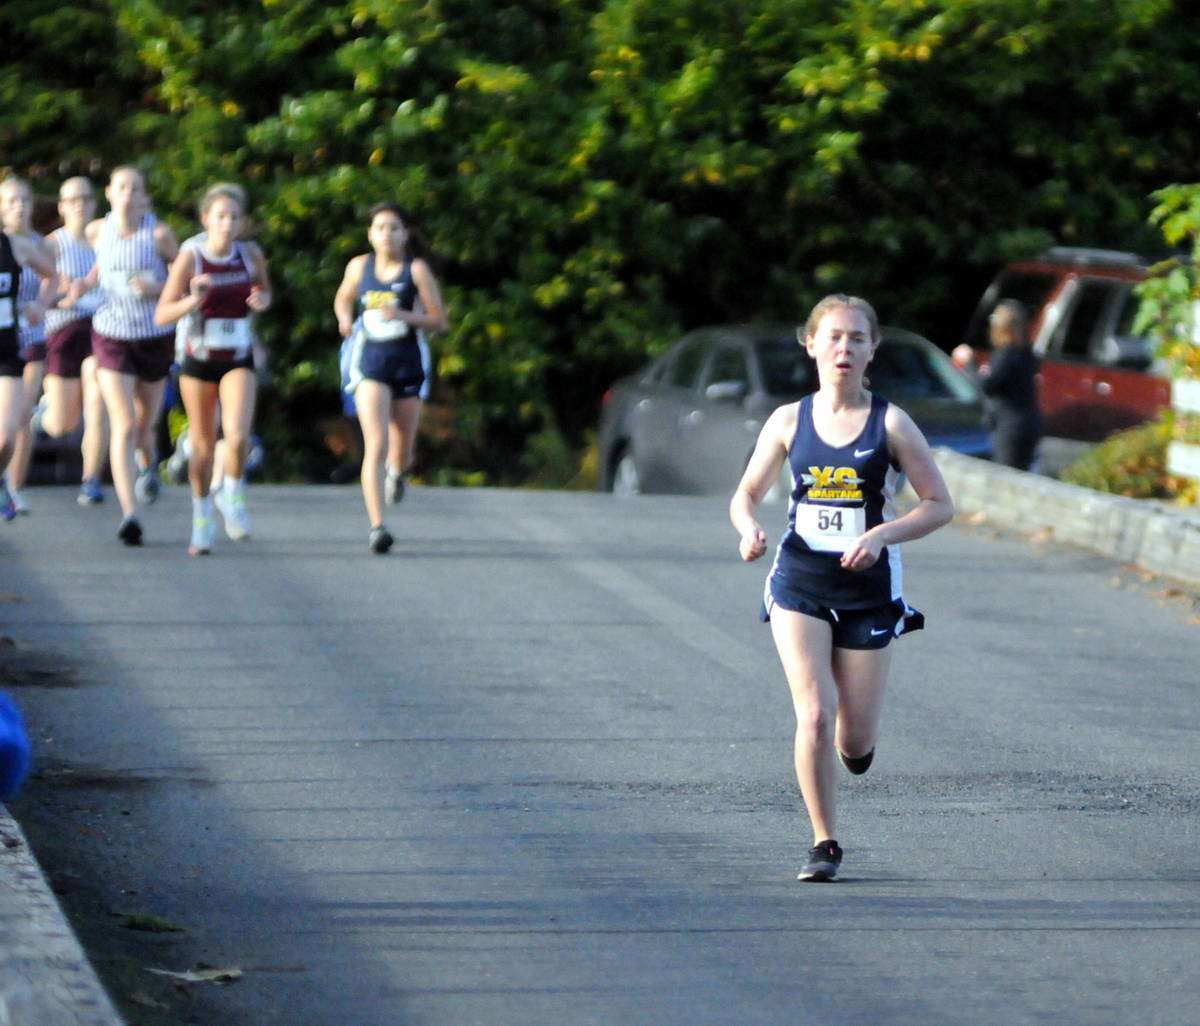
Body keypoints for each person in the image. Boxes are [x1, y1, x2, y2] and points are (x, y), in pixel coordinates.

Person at [729, 294, 954, 882]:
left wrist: (881, 535)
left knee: (853, 740)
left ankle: (854, 753)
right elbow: (745, 493)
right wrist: (748, 526)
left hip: (868, 591)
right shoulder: (788, 421)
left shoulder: (891, 423)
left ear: (872, 348)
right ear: (811, 344)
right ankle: (823, 841)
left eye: (856, 338)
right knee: (815, 717)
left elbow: (939, 505)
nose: (844, 349)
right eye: (832, 337)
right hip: (800, 581)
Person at [155, 182, 271, 555]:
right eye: (220, 216)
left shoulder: (250, 254)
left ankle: (232, 493)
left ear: (242, 222)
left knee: (237, 436)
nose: (227, 223)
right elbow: (162, 314)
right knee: (203, 447)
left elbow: (264, 293)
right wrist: (193, 298)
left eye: (234, 217)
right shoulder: (192, 256)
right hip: (197, 359)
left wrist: (261, 300)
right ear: (206, 219)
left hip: (237, 356)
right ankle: (201, 518)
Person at [333, 202, 447, 553]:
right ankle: (377, 526)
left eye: (394, 228)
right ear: (370, 233)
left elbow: (439, 321)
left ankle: (398, 475)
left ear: (405, 234)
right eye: (380, 227)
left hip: (408, 362)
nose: (387, 234)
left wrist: (402, 314)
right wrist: (345, 319)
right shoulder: (359, 266)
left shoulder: (416, 271)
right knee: (376, 444)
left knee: (402, 450)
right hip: (371, 362)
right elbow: (343, 298)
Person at [85, 165, 179, 545]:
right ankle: (129, 512)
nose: (127, 194)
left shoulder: (158, 234)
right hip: (111, 336)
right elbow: (98, 270)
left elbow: (183, 277)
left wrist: (157, 287)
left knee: (144, 428)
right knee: (122, 425)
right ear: (109, 193)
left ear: (144, 197)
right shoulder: (97, 231)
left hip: (154, 336)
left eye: (134, 188)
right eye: (120, 187)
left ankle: (148, 465)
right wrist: (81, 286)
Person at [40, 176, 109, 505]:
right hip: (63, 331)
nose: (80, 204)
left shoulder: (107, 242)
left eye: (86, 198)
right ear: (62, 207)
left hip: (102, 330)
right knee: (61, 424)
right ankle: (42, 411)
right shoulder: (52, 245)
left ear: (95, 205)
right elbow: (34, 295)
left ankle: (91, 478)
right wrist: (61, 292)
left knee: (98, 403)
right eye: (73, 199)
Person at [0, 177, 55, 514]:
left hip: (6, 350)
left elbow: (53, 277)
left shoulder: (13, 245)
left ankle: (3, 480)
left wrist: (40, 306)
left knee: (6, 436)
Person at [952, 299, 1041, 470]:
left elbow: (987, 386)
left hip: (1009, 426)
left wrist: (969, 362)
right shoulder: (1026, 352)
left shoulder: (1007, 353)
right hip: (1028, 422)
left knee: (1007, 474)